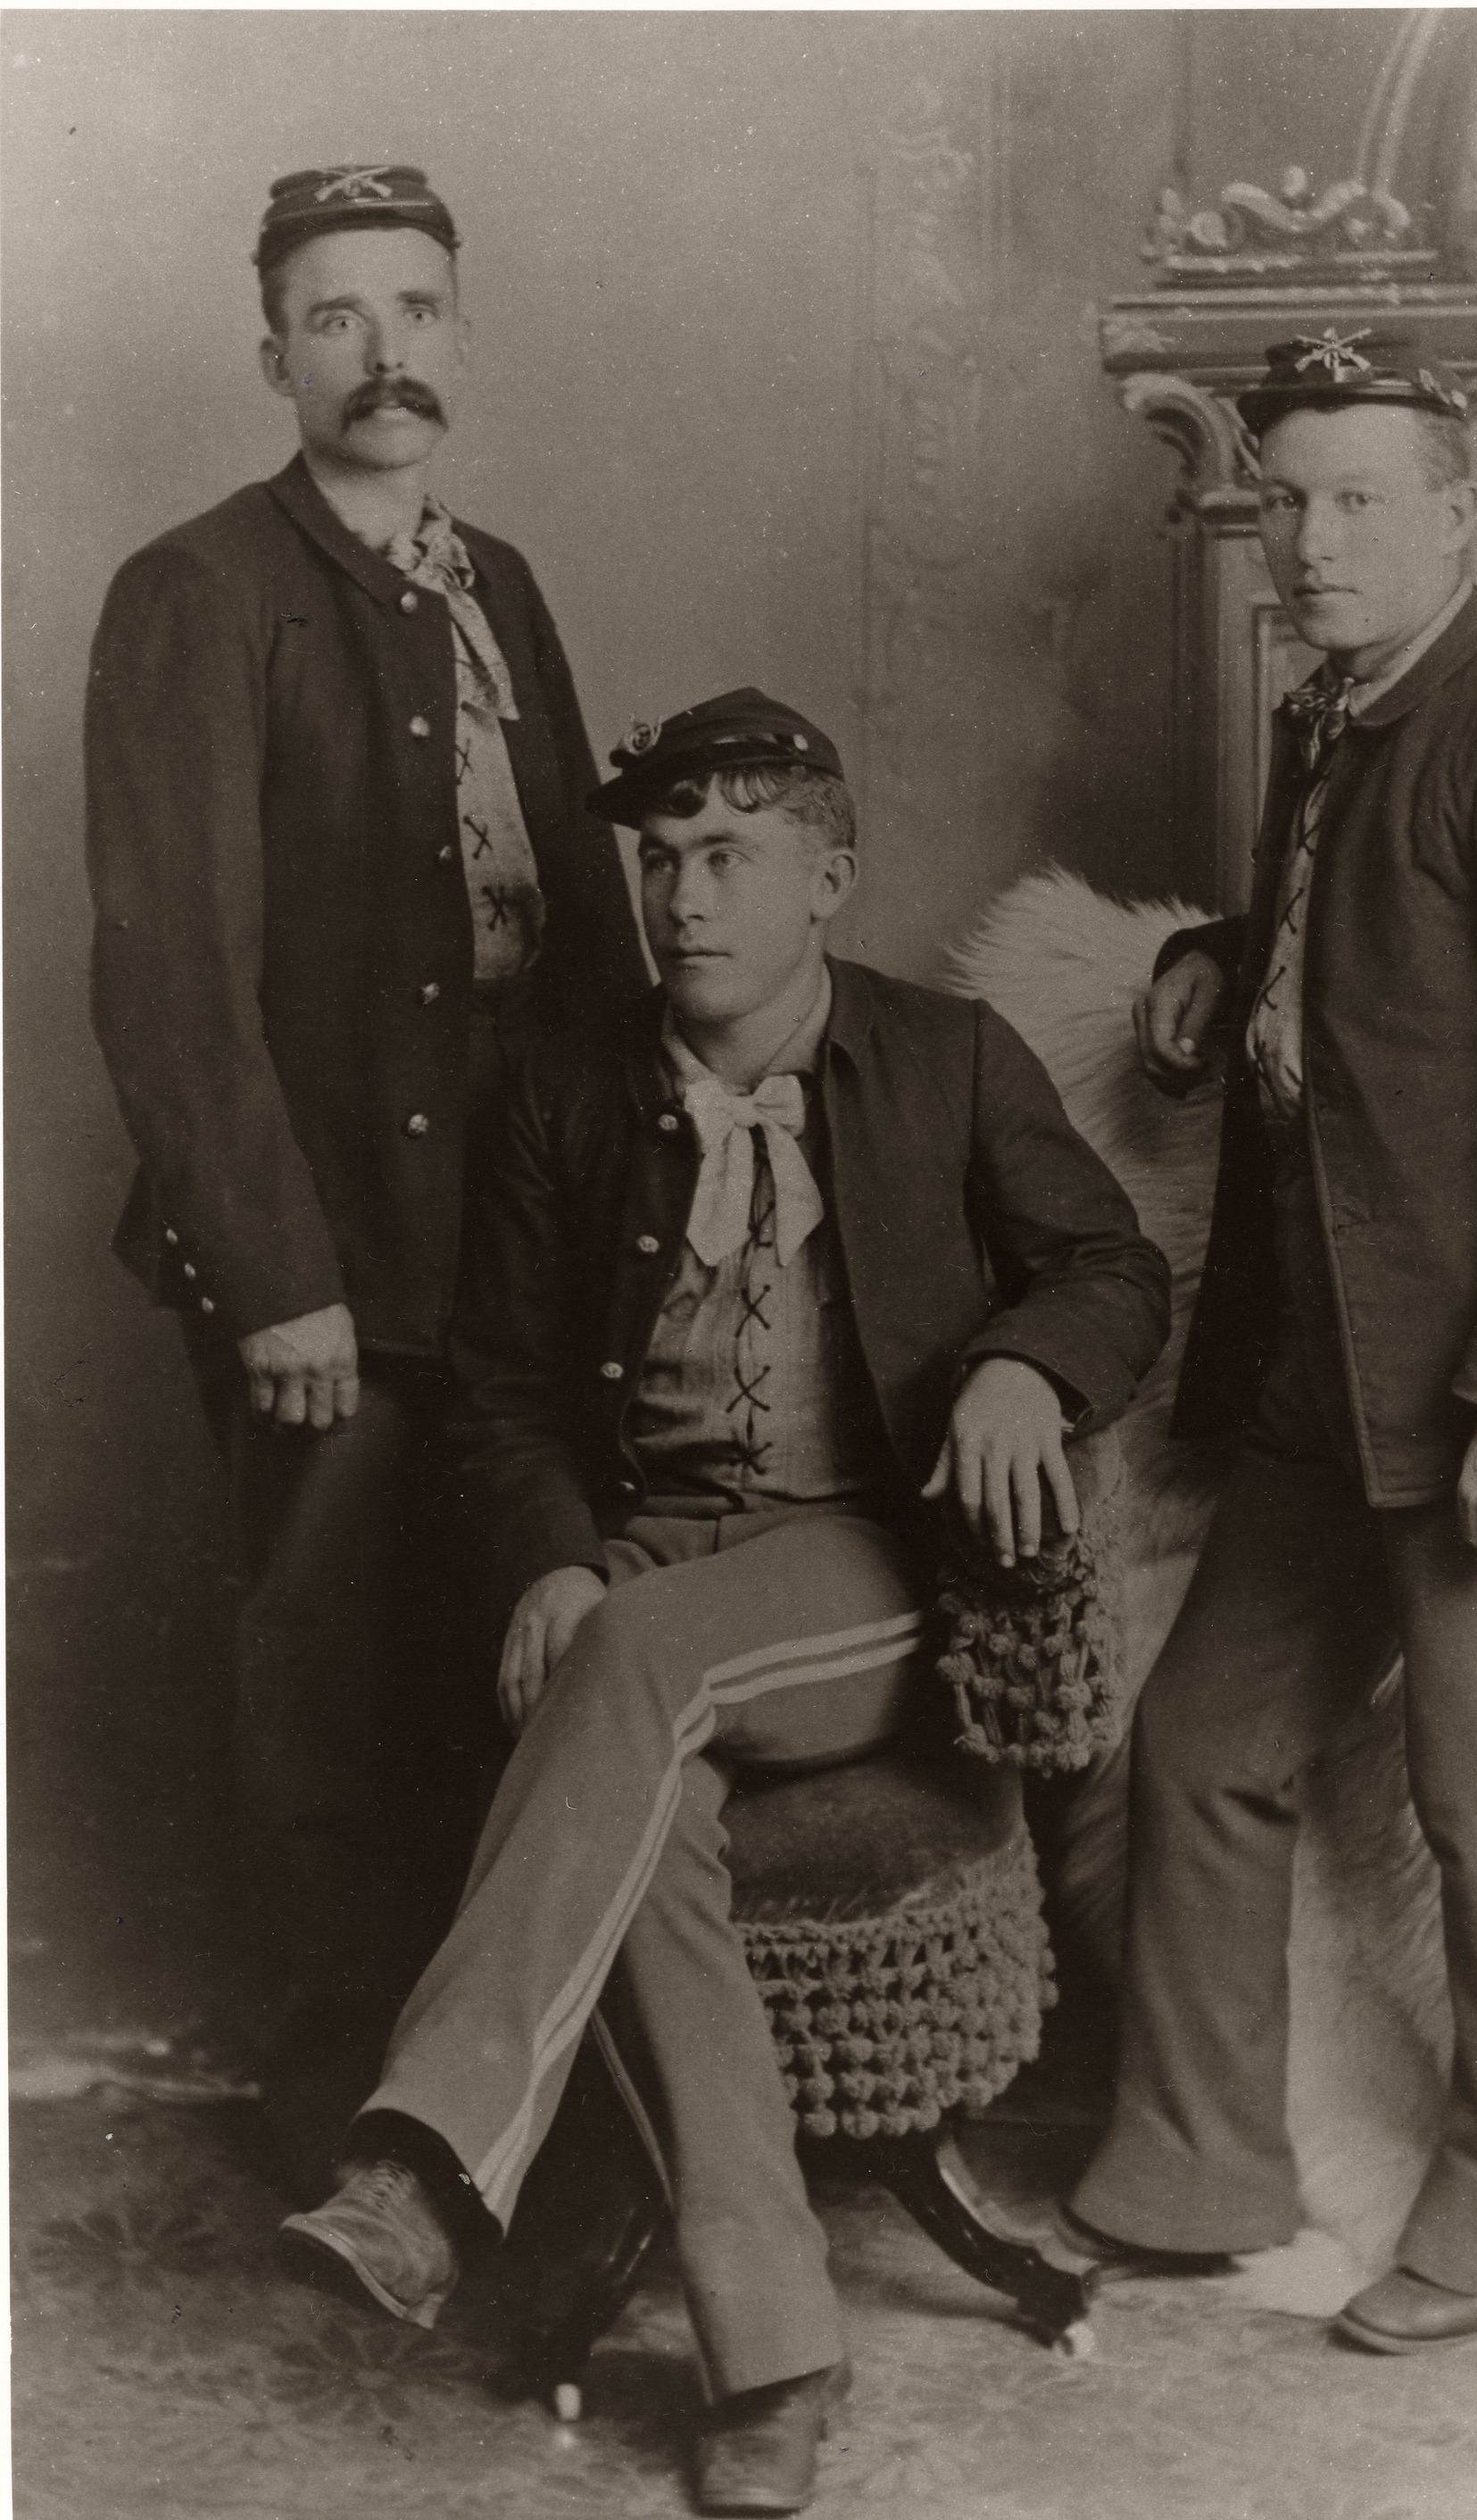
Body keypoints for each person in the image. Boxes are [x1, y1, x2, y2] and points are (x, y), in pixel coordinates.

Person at [277, 688, 1172, 2511]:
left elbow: (1112, 1266)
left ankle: (433, 2156)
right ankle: (775, 2353)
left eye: (731, 857)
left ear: (827, 878)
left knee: (633, 1669)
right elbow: (507, 1385)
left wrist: (1022, 1369)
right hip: (635, 1561)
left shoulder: (947, 1057)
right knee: (647, 1796)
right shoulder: (567, 1081)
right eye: (663, 857)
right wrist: (544, 1552)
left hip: (860, 1557)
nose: (685, 898)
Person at [1062, 332, 1477, 2352]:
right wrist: (1207, 960)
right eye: (1285, 502)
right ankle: (1194, 2168)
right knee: (1204, 1743)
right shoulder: (1342, 715)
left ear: (1452, 512)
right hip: (1329, 1369)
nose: (1310, 544)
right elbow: (1372, 948)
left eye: (1356, 503)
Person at [83, 165, 646, 2177]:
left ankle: (504, 2106)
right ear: (275, 355)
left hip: (513, 1227)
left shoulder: (497, 577)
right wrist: (278, 1270)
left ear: (459, 340)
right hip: (328, 1245)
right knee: (331, 1679)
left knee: (516, 1651)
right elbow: (169, 975)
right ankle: (351, 2135)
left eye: (417, 311)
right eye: (338, 318)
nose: (385, 354)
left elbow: (582, 921)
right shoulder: (202, 591)